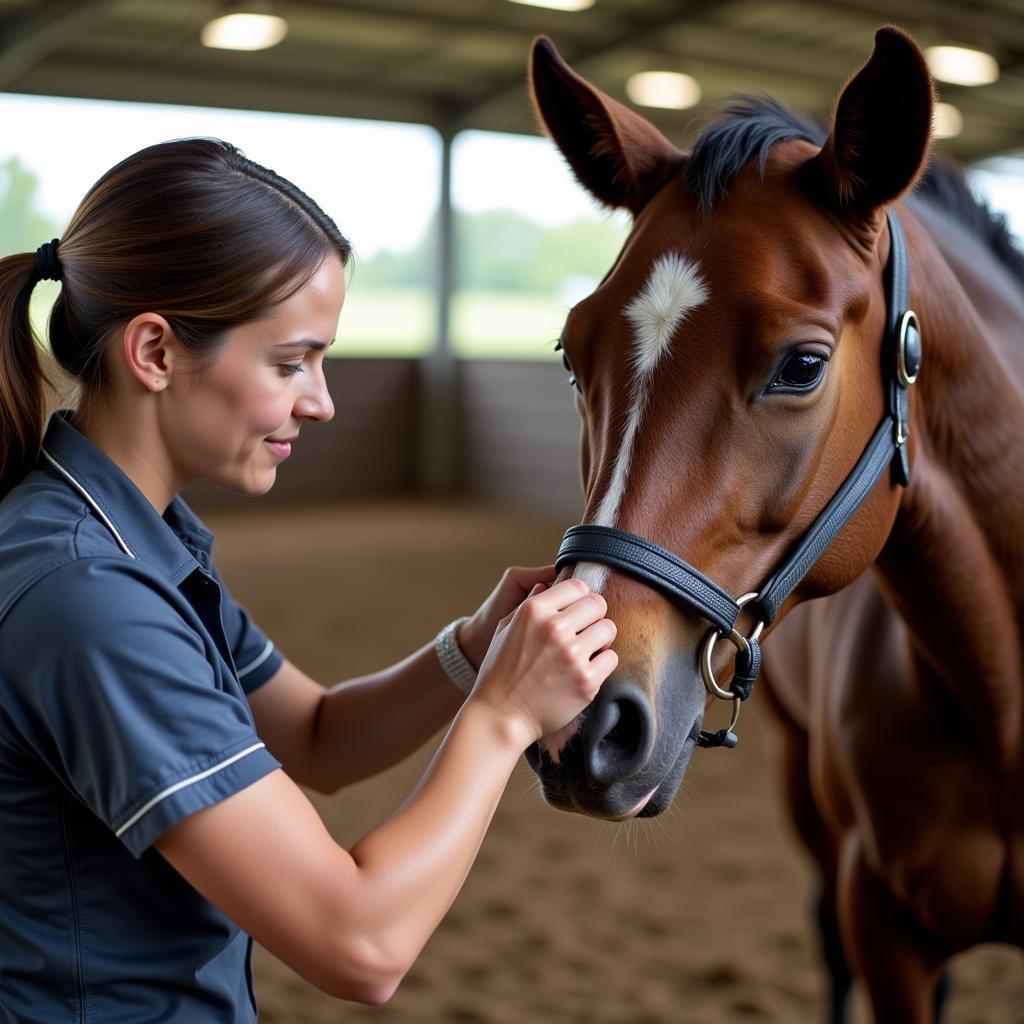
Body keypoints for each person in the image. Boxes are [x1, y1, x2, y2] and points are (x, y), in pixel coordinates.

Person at [0, 138, 618, 1023]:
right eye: (291, 362)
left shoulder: (131, 538)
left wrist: (478, 648)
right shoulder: (88, 597)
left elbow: (318, 738)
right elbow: (358, 943)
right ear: (155, 352)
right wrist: (504, 715)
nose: (320, 399)